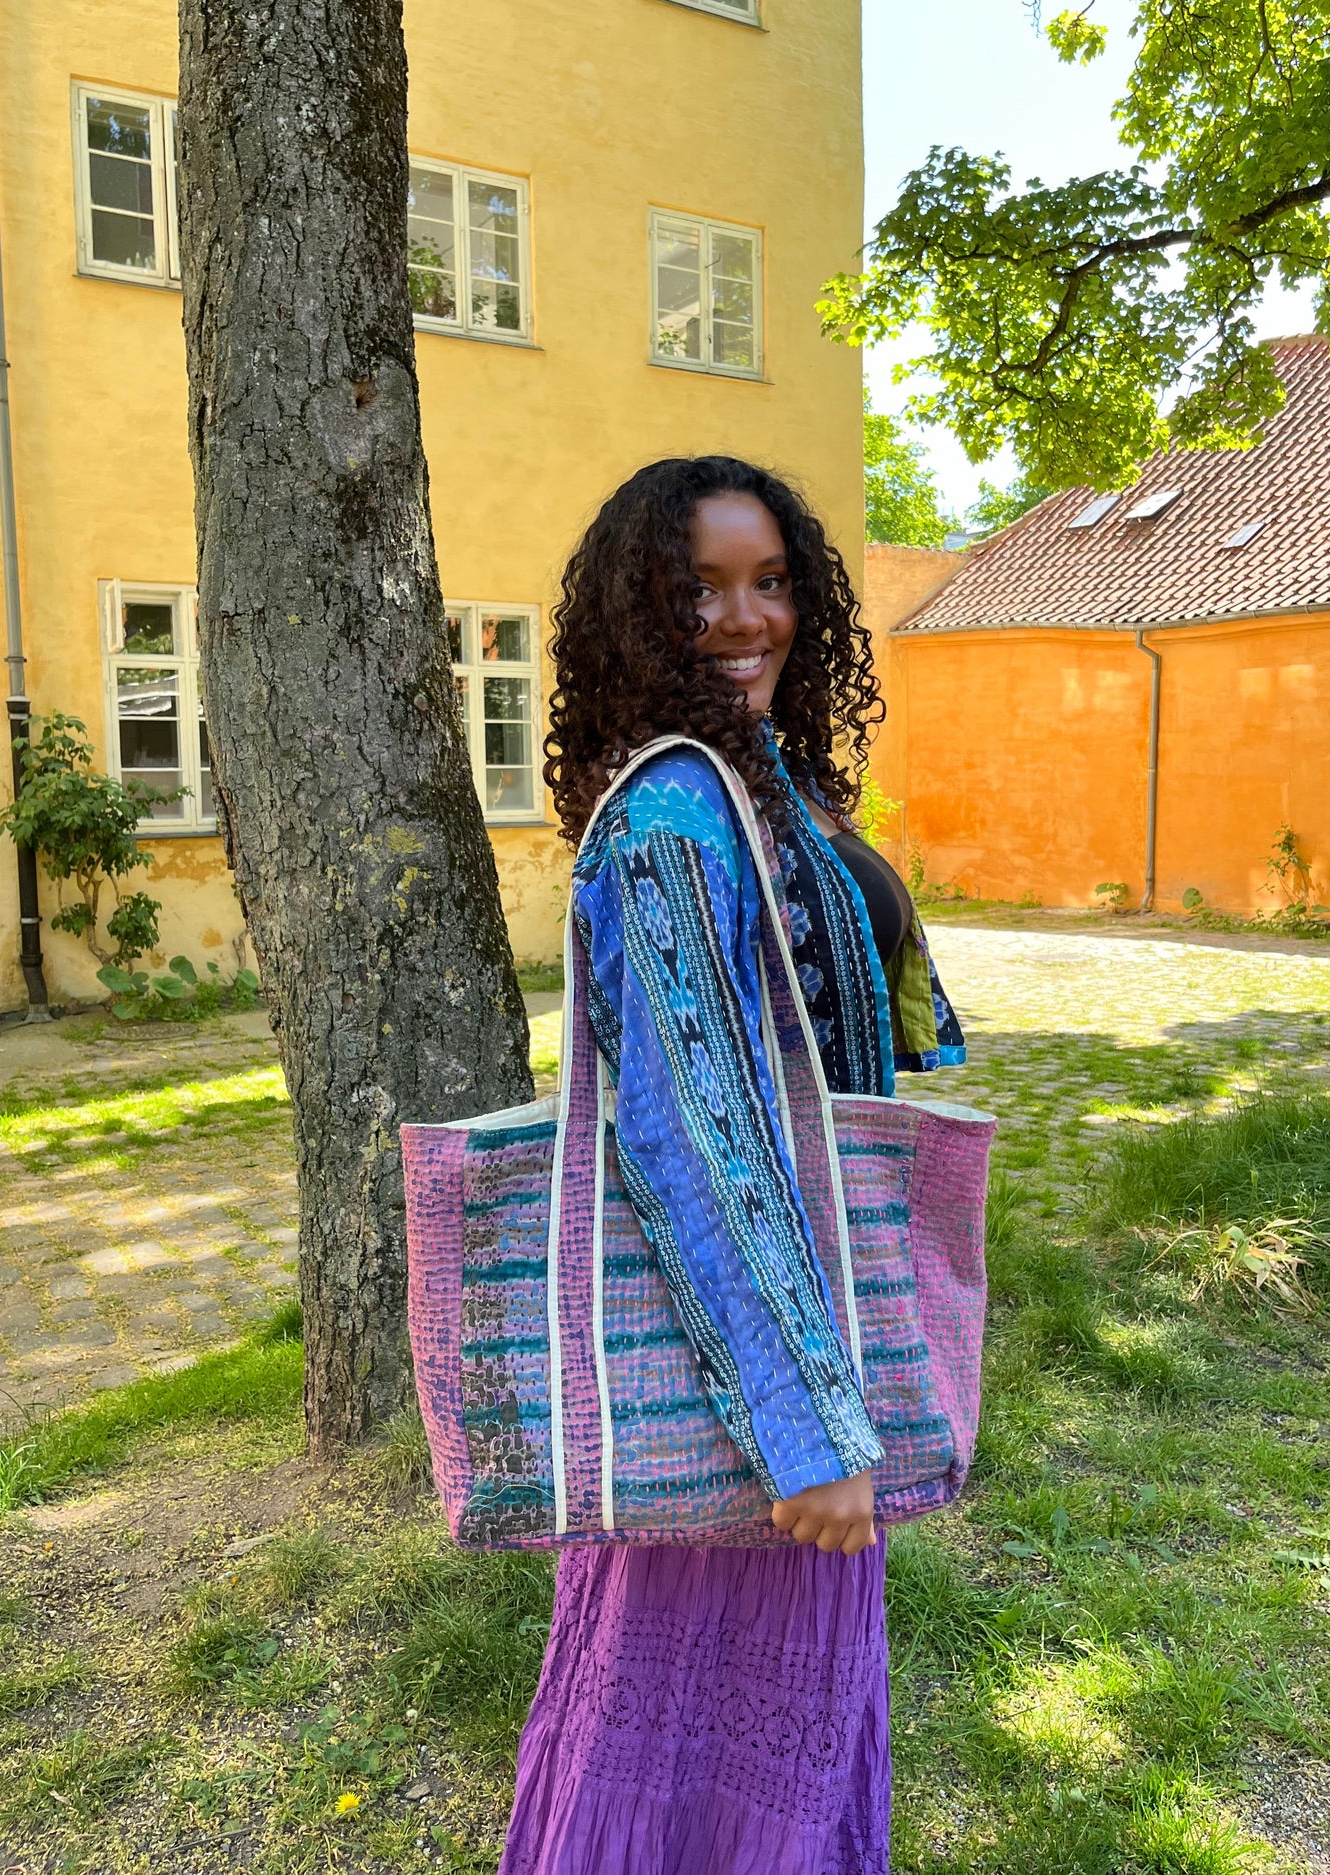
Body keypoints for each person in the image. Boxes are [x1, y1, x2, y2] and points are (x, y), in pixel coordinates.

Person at [498, 456, 966, 1875]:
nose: (746, 617)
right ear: (642, 617)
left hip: (796, 1335)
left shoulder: (770, 780)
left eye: (770, 583)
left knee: (760, 1748)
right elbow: (692, 1134)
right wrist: (807, 1430)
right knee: (701, 1756)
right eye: (699, 590)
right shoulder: (673, 818)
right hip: (751, 1379)